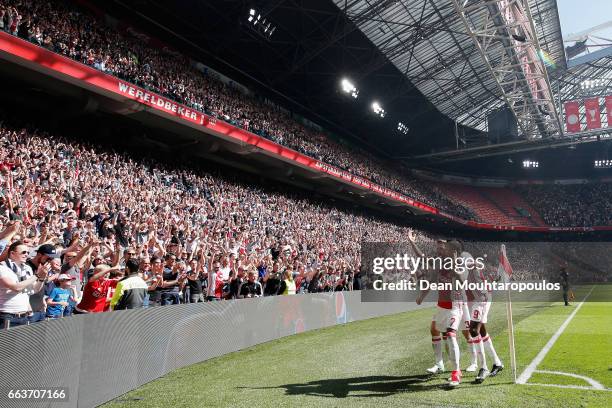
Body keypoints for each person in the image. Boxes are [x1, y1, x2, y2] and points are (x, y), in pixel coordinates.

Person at [0, 241, 48, 328]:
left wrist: (41, 278)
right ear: (12, 253)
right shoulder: (2, 267)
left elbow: (34, 290)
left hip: (24, 316)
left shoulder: (27, 268)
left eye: (28, 252)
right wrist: (37, 275)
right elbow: (16, 287)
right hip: (6, 316)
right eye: (23, 252)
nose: (26, 254)